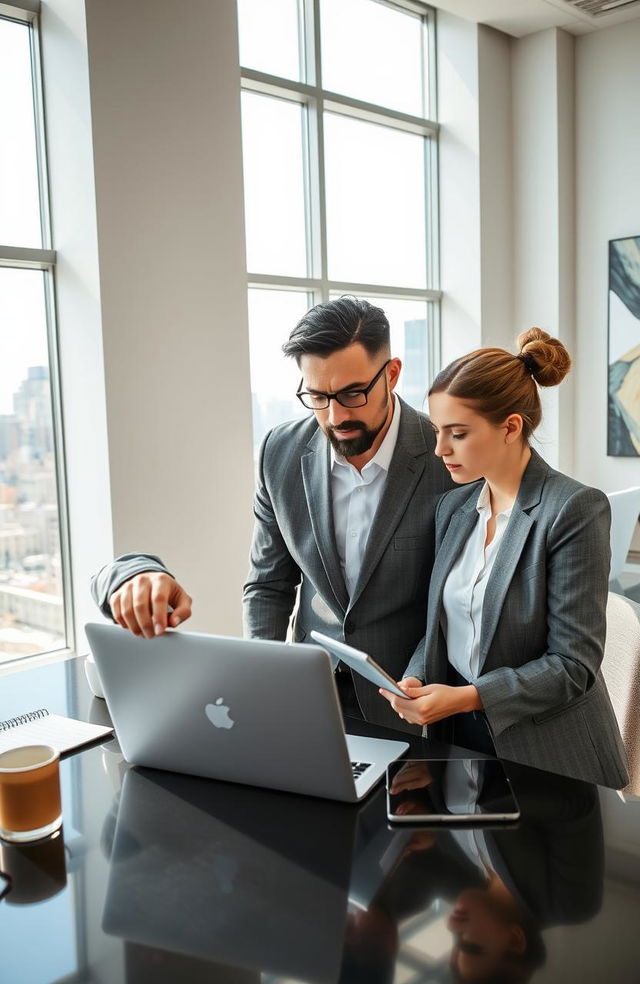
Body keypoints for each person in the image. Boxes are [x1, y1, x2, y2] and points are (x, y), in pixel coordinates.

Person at [91, 296, 453, 731]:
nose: (335, 416)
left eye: (353, 394)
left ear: (391, 374)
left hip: (412, 704)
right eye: (317, 396)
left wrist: (414, 681)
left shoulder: (447, 457)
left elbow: (452, 602)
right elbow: (268, 583)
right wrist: (260, 677)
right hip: (308, 695)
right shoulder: (278, 452)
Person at [380, 327, 629, 788]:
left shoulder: (573, 509)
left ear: (511, 427)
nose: (440, 449)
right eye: (438, 431)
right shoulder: (453, 509)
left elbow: (573, 666)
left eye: (458, 433)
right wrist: (414, 678)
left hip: (548, 753)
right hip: (461, 737)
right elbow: (443, 625)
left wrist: (467, 697)